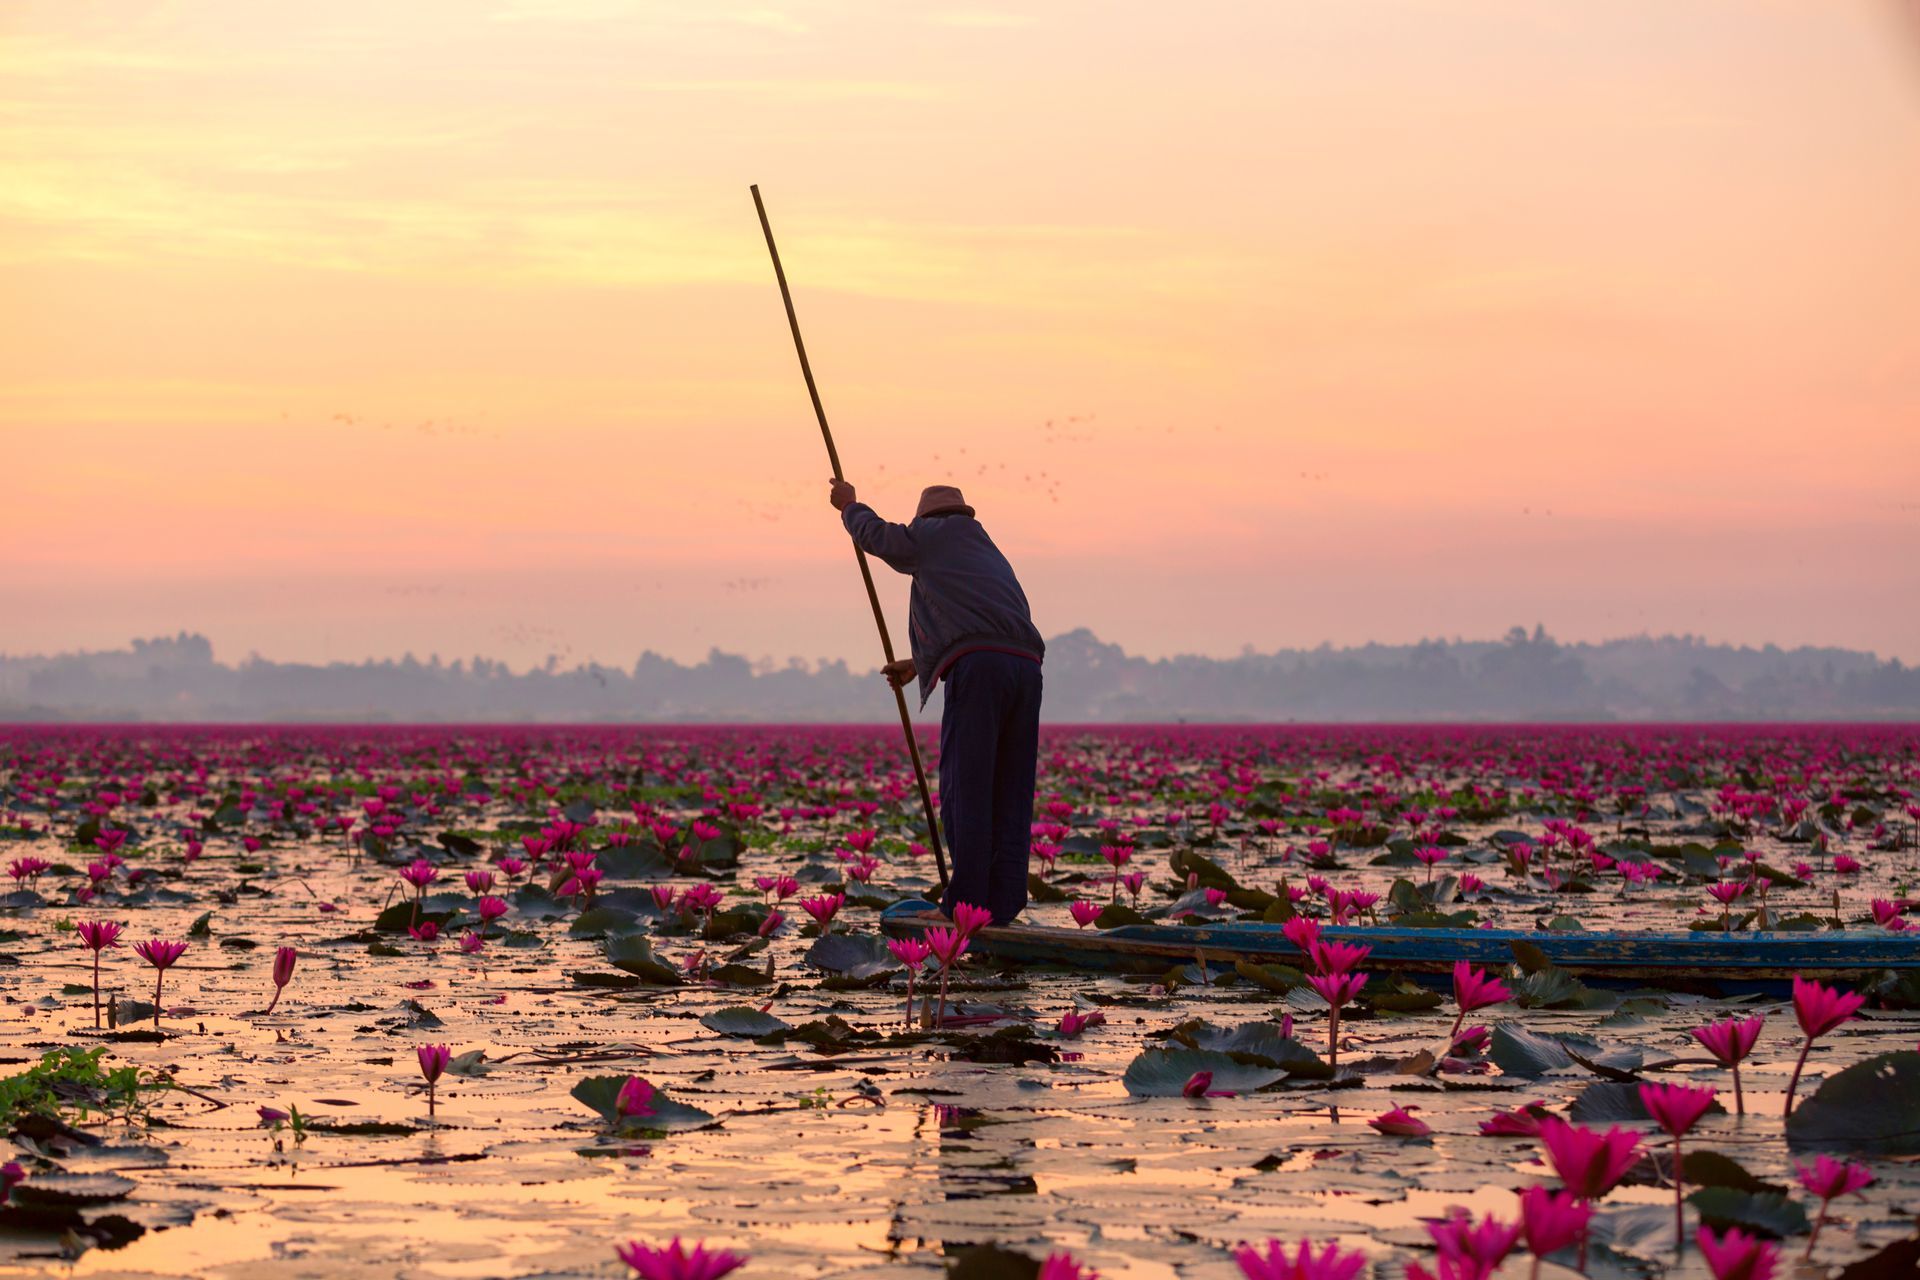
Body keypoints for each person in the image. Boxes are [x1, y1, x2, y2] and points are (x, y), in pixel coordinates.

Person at [828, 479, 1044, 925]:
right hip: (1026, 669)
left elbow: (879, 538)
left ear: (925, 518)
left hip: (982, 672)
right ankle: (1002, 905)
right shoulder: (985, 549)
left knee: (967, 784)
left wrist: (849, 506)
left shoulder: (933, 533)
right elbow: (980, 624)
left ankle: (965, 905)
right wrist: (918, 664)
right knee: (1011, 788)